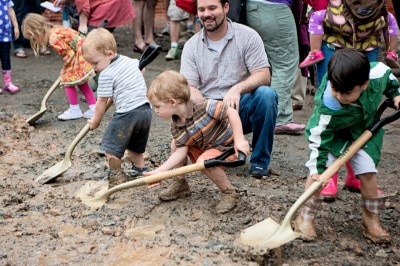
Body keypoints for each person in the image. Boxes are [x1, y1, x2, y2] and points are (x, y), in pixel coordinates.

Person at [294, 48, 400, 244]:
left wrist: (396, 95)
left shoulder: (376, 74)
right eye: (335, 89)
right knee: (317, 177)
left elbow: (389, 77)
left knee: (368, 174)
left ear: (364, 84)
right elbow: (318, 139)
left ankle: (371, 220)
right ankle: (305, 217)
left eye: (348, 92)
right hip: (332, 136)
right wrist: (317, 170)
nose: (340, 96)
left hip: (364, 132)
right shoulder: (327, 106)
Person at [180, 0, 278, 180]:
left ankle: (259, 162)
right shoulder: (191, 46)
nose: (206, 14)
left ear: (225, 8)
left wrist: (237, 88)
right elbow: (189, 86)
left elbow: (264, 74)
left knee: (267, 95)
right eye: (201, 10)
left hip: (240, 105)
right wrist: (205, 107)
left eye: (212, 8)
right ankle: (219, 150)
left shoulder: (248, 35)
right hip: (211, 114)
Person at [145, 70, 251, 213]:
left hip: (227, 149)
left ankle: (229, 193)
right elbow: (180, 153)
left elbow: (231, 112)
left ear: (172, 102)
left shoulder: (204, 106)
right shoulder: (177, 126)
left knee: (203, 161)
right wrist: (159, 172)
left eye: (157, 106)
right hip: (206, 148)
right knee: (175, 144)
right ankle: (180, 183)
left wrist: (239, 139)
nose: (155, 110)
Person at [81, 28, 152, 186]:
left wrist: (95, 121)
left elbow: (101, 101)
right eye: (90, 64)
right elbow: (142, 68)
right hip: (145, 111)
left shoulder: (106, 74)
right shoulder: (130, 61)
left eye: (95, 63)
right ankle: (140, 169)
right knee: (136, 145)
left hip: (127, 113)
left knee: (111, 148)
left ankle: (116, 175)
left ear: (110, 54)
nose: (93, 68)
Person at [245, 0, 306, 134]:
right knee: (285, 63)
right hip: (275, 9)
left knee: (269, 63)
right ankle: (276, 119)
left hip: (255, 8)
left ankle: (284, 117)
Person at [22, 13, 96, 120]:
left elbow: (69, 54)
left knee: (67, 80)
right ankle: (94, 109)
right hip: (83, 52)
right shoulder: (55, 29)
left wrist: (64, 70)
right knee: (81, 82)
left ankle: (74, 110)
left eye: (32, 38)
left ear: (36, 32)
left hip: (79, 55)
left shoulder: (53, 38)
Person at [299, 5, 399, 69]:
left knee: (316, 17)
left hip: (340, 27)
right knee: (389, 20)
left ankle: (315, 52)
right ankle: (391, 53)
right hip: (368, 35)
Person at [54, 0, 135, 34]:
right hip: (105, 4)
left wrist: (83, 24)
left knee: (91, 41)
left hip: (110, 5)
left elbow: (82, 2)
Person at [0, 0, 20, 94]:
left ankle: (8, 83)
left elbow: (11, 10)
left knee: (6, 58)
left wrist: (15, 26)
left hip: (5, 35)